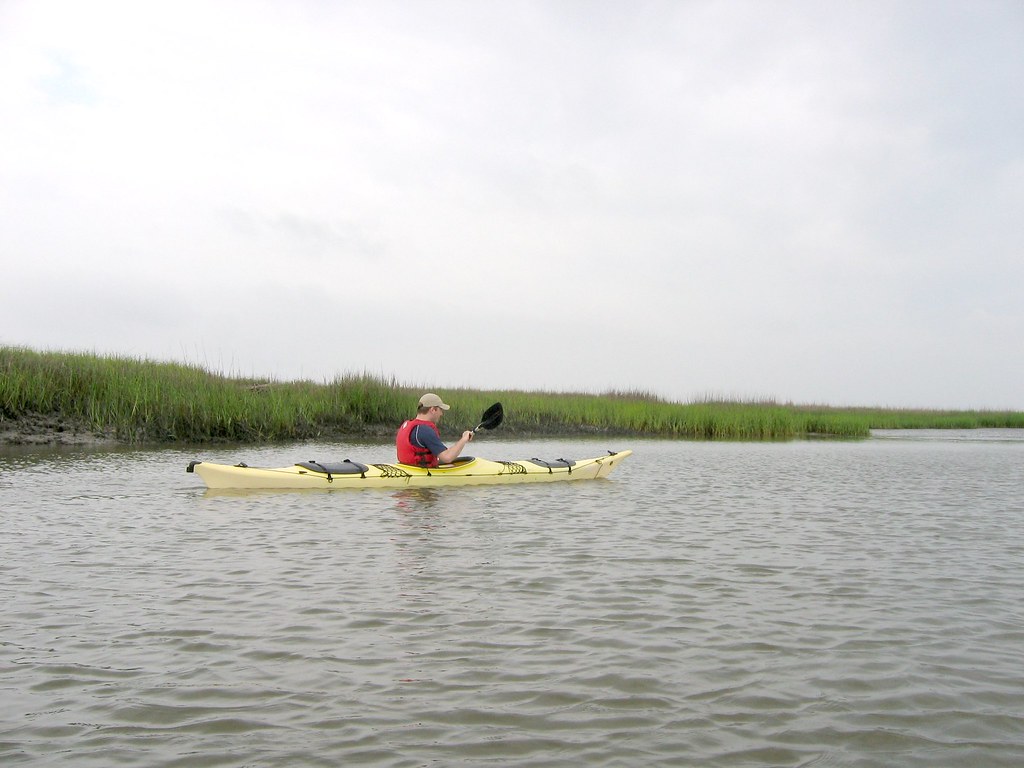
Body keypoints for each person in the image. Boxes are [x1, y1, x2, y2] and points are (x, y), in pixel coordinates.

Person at [396, 393, 474, 467]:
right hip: (422, 474)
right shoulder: (425, 430)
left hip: (408, 468)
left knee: (450, 465)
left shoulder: (407, 425)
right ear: (433, 410)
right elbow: (447, 457)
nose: (441, 414)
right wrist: (464, 439)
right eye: (440, 410)